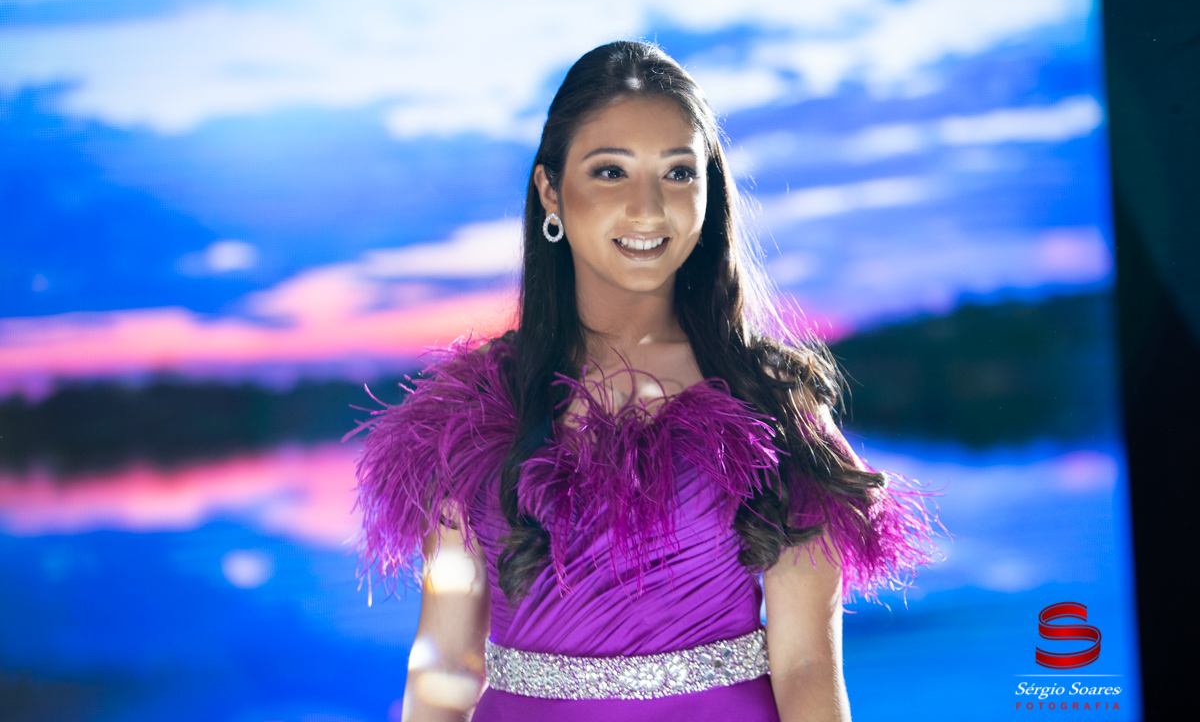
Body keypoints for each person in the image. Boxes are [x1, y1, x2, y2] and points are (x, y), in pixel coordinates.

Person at [351, 41, 938, 722]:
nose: (649, 208)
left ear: (709, 190)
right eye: (611, 171)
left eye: (678, 172)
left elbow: (807, 667)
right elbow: (447, 664)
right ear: (550, 191)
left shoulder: (771, 405)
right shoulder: (473, 413)